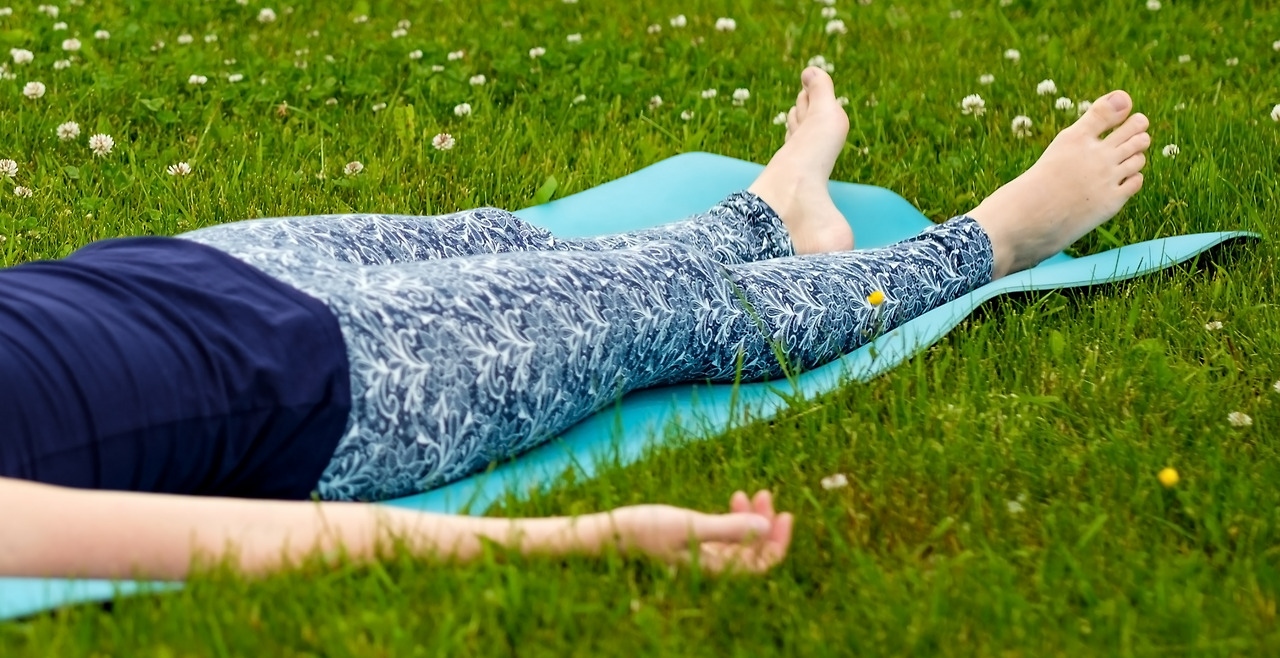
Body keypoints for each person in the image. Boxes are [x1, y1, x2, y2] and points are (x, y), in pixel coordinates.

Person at [0, 68, 1150, 579]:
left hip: (188, 268)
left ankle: (772, 205)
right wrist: (579, 540)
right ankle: (990, 238)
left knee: (510, 237)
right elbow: (224, 544)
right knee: (676, 312)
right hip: (333, 380)